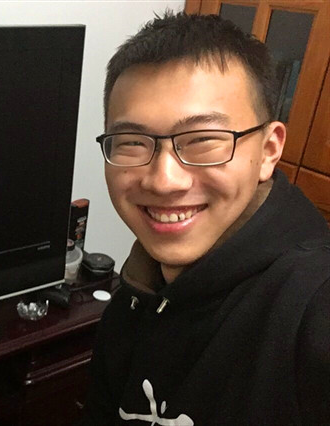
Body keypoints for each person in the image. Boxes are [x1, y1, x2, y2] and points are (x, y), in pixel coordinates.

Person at [79, 12, 330, 425]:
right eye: (133, 142)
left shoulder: (312, 309)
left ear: (269, 150)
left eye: (203, 141)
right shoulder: (131, 301)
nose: (164, 181)